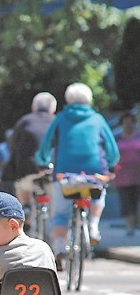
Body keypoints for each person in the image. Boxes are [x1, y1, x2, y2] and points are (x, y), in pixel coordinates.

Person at [35, 83, 119, 268]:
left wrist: (42, 161)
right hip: (94, 171)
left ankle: (59, 248)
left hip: (64, 174)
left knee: (61, 213)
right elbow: (111, 148)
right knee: (98, 193)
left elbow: (47, 143)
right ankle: (94, 226)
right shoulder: (97, 119)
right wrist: (111, 166)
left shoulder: (61, 118)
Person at [3, 92, 57, 210]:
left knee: (22, 188)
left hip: (28, 170)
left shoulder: (25, 121)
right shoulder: (57, 121)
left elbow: (13, 144)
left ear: (33, 108)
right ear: (53, 109)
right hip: (54, 170)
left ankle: (26, 208)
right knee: (56, 201)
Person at [114, 112, 140, 236]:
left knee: (135, 200)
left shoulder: (138, 136)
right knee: (125, 200)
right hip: (122, 175)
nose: (128, 124)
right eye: (125, 121)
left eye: (130, 121)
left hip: (137, 174)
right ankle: (128, 224)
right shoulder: (117, 138)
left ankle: (134, 222)